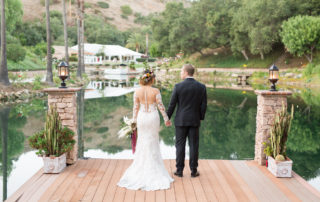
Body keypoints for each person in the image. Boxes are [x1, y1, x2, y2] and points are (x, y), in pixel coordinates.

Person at [117, 69, 174, 191]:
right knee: (153, 141)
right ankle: (154, 169)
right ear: (152, 79)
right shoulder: (156, 91)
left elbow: (135, 108)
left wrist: (133, 120)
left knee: (142, 141)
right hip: (153, 117)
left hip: (142, 118)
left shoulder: (137, 91)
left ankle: (141, 168)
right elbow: (161, 106)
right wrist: (166, 119)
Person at [167, 64, 207, 178]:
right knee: (194, 145)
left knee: (180, 145)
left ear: (185, 72)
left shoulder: (178, 86)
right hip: (194, 120)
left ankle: (179, 170)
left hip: (181, 120)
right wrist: (200, 117)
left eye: (181, 71)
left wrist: (167, 117)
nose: (180, 74)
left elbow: (172, 104)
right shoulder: (201, 87)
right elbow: (204, 105)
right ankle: (194, 171)